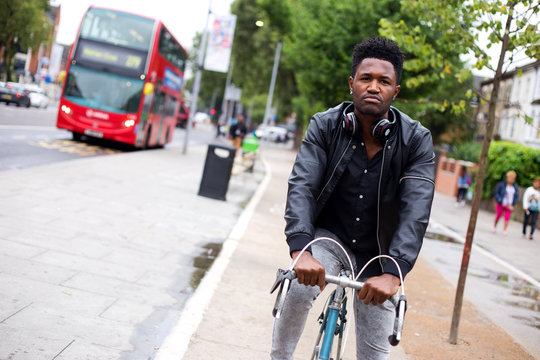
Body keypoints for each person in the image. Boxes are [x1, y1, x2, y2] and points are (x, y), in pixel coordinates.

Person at [271, 37, 435, 360]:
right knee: (298, 288)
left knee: (374, 355)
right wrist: (300, 247)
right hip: (329, 239)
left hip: (380, 254)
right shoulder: (324, 125)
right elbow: (302, 184)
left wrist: (394, 271)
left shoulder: (417, 140)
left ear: (395, 91)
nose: (374, 87)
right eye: (366, 78)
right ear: (352, 84)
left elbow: (416, 210)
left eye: (384, 81)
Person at [493, 170, 519, 235]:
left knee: (507, 217)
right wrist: (500, 200)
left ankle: (504, 230)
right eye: (510, 178)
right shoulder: (501, 184)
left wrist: (513, 204)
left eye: (512, 178)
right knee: (498, 216)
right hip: (501, 203)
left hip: (509, 205)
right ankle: (495, 226)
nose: (511, 180)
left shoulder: (515, 187)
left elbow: (516, 196)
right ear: (507, 177)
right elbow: (496, 193)